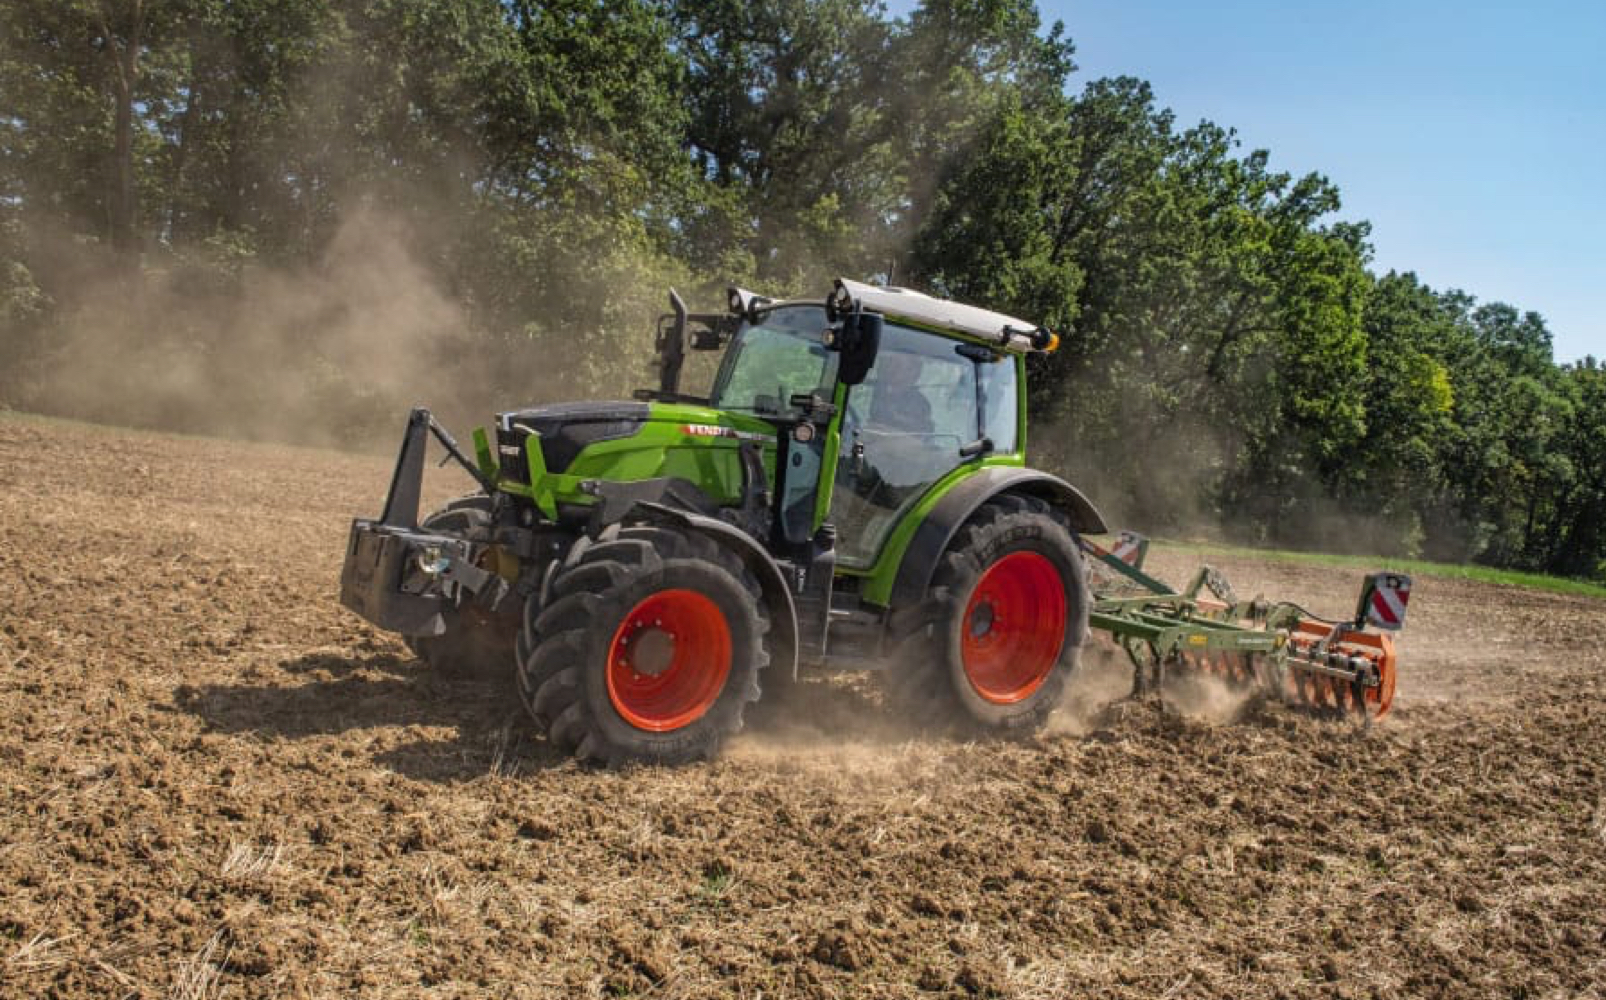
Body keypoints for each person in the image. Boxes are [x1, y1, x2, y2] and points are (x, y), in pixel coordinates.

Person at [866, 350, 932, 434]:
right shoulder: (875, 390)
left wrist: (895, 417)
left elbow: (917, 432)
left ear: (914, 373)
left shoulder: (920, 404)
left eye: (898, 365)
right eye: (889, 363)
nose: (891, 369)